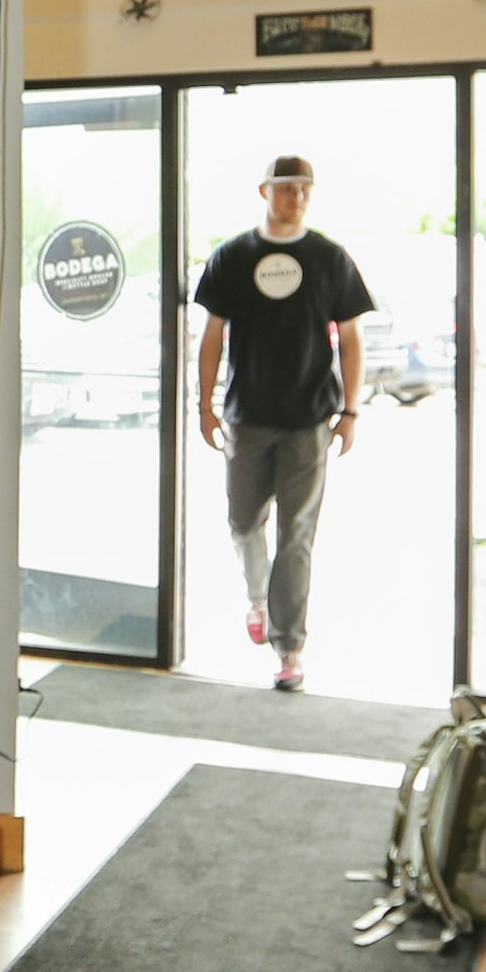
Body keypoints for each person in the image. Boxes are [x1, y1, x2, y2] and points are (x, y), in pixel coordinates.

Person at [193, 155, 374, 693]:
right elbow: (211, 337)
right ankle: (257, 596)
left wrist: (351, 411)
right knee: (244, 521)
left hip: (309, 420)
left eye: (304, 189)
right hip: (246, 417)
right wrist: (204, 404)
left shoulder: (328, 258)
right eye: (285, 187)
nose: (296, 196)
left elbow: (351, 337)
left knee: (297, 535)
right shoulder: (231, 256)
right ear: (264, 191)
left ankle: (288, 647)